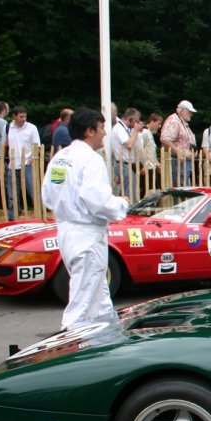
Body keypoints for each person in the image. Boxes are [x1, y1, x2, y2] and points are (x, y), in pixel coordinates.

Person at [41, 107, 129, 331]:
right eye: (102, 128)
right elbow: (98, 201)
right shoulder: (91, 160)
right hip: (87, 234)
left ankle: (108, 334)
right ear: (90, 131)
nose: (104, 133)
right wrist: (122, 204)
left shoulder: (61, 158)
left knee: (98, 294)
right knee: (84, 299)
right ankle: (70, 339)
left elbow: (48, 196)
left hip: (67, 231)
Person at [5, 105, 41, 220]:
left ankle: (39, 216)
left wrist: (31, 159)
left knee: (33, 191)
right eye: (21, 117)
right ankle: (13, 218)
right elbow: (5, 144)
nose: (24, 119)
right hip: (12, 164)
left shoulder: (32, 128)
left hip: (27, 164)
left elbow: (37, 145)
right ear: (14, 116)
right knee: (12, 195)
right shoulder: (8, 127)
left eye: (25, 116)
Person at [160, 100, 197, 186]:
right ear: (182, 110)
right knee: (180, 188)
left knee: (184, 187)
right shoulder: (174, 121)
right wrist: (178, 153)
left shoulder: (181, 122)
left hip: (183, 162)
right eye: (189, 111)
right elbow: (165, 139)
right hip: (178, 162)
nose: (191, 114)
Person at [109, 107, 143, 199]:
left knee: (131, 192)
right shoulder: (119, 128)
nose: (137, 124)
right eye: (136, 121)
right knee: (129, 195)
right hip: (124, 165)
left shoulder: (126, 129)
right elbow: (129, 144)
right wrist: (136, 131)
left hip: (128, 165)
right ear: (130, 119)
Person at [139, 113, 164, 193]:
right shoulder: (144, 132)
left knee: (157, 191)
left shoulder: (149, 133)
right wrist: (142, 165)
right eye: (159, 123)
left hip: (152, 167)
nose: (160, 126)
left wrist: (156, 163)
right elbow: (140, 148)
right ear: (152, 121)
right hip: (148, 168)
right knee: (151, 192)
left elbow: (151, 152)